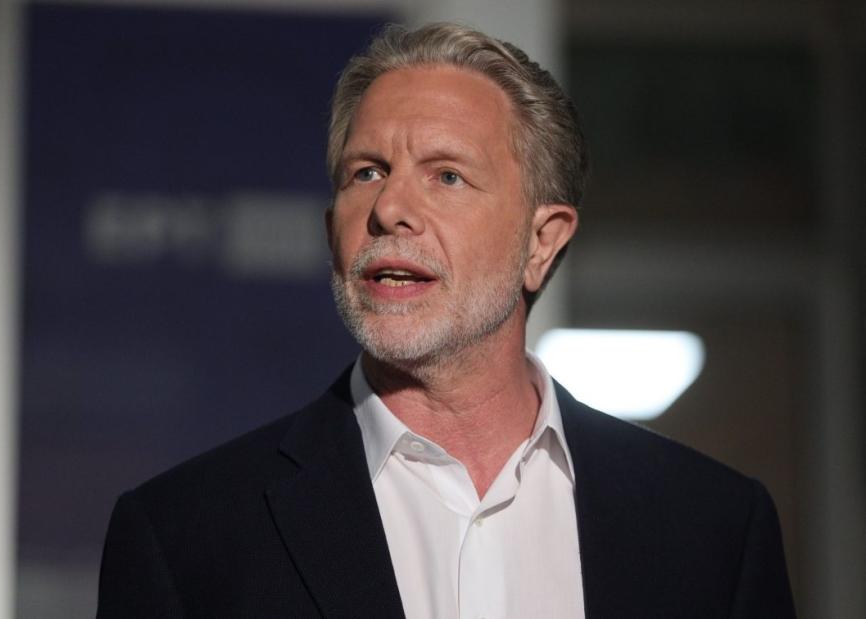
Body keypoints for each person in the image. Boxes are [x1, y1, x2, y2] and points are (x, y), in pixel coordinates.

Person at [97, 22, 795, 618]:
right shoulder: (186, 537)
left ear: (541, 241)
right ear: (331, 229)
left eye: (447, 175)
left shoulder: (713, 528)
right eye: (367, 172)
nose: (389, 209)